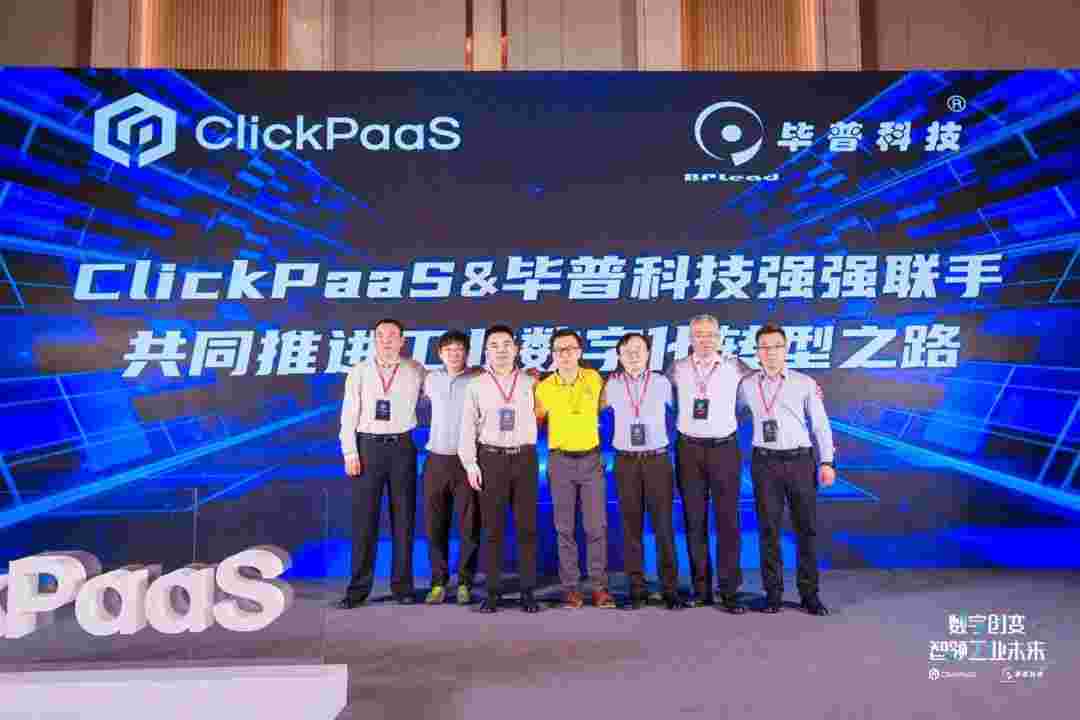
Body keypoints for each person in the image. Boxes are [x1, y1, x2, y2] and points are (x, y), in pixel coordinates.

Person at [738, 323, 835, 616]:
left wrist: (827, 461)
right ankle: (773, 594)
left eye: (776, 346)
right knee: (769, 530)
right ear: (757, 352)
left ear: (786, 349)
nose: (770, 352)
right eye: (764, 347)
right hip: (764, 463)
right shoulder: (746, 385)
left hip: (800, 461)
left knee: (806, 529)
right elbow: (726, 411)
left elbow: (820, 425)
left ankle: (810, 595)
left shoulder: (805, 383)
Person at [667, 314, 753, 613]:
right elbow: (665, 400)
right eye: (699, 334)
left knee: (728, 521)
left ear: (720, 337)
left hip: (724, 448)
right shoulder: (677, 368)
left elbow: (751, 400)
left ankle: (730, 591)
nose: (705, 339)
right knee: (694, 521)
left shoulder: (737, 367)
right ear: (690, 338)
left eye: (710, 334)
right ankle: (701, 589)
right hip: (688, 449)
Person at [338, 318, 426, 608]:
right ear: (374, 339)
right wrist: (350, 452)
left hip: (402, 447)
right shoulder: (359, 371)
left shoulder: (415, 370)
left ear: (402, 340)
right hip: (368, 448)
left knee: (404, 519)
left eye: (392, 335)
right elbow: (348, 414)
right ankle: (357, 590)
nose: (386, 340)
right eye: (381, 335)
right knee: (364, 521)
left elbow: (444, 387)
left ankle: (403, 587)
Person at [459, 325, 541, 613]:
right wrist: (470, 463)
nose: (501, 350)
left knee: (527, 527)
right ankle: (492, 592)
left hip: (525, 458)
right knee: (492, 528)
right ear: (486, 351)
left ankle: (528, 591)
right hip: (490, 458)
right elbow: (467, 426)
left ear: (516, 348)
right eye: (494, 345)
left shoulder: (531, 382)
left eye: (507, 344)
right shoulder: (476, 385)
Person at [602, 332, 685, 610]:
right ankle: (636, 590)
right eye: (627, 350)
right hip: (625, 462)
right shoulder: (611, 385)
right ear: (619, 356)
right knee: (631, 528)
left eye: (639, 349)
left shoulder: (663, 383)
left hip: (657, 460)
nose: (634, 355)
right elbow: (598, 413)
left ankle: (670, 589)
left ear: (649, 353)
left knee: (663, 527)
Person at [536, 329, 615, 609]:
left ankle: (599, 587)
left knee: (596, 527)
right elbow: (535, 421)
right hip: (560, 461)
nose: (565, 354)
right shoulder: (544, 387)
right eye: (559, 350)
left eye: (570, 348)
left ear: (580, 351)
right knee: (564, 528)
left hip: (591, 460)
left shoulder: (594, 379)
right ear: (552, 355)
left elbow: (606, 408)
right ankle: (570, 588)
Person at [421, 330, 482, 605]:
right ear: (440, 354)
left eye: (459, 349)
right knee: (435, 524)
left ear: (467, 353)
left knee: (469, 524)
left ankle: (465, 582)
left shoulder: (478, 378)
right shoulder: (430, 379)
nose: (454, 354)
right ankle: (438, 582)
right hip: (436, 459)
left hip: (467, 460)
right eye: (448, 350)